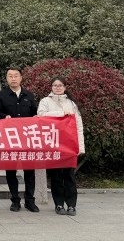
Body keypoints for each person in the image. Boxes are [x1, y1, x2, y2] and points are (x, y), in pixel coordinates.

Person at [37, 77, 85, 216]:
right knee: (56, 176)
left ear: (65, 87)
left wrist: (80, 147)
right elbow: (41, 116)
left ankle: (71, 205)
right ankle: (58, 204)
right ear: (51, 87)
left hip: (69, 145)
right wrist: (61, 114)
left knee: (69, 176)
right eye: (55, 85)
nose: (58, 87)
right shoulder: (45, 101)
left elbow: (78, 126)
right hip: (53, 144)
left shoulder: (71, 103)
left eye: (60, 85)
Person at [0, 67, 39, 212]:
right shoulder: (2, 95)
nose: (13, 78)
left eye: (16, 75)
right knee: (11, 171)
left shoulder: (29, 95)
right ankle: (15, 200)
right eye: (10, 76)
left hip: (27, 139)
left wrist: (35, 118)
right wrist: (4, 117)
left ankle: (30, 200)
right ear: (6, 79)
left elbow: (35, 113)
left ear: (21, 78)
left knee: (29, 171)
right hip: (10, 139)